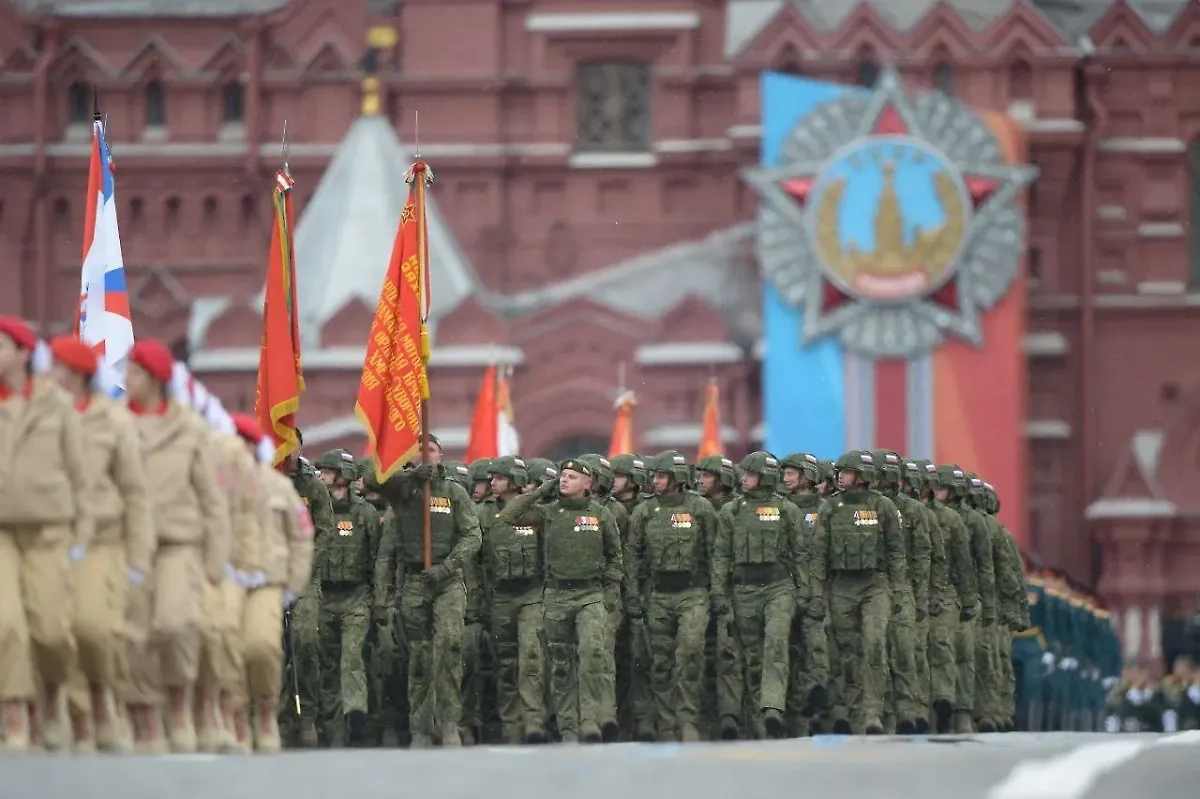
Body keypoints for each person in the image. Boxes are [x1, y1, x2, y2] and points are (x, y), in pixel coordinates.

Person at [124, 339, 230, 753]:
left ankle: (182, 708)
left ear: (155, 378)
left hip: (179, 544)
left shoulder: (190, 429)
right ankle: (149, 720)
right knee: (135, 636)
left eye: (135, 372)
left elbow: (212, 500)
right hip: (131, 546)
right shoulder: (118, 424)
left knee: (175, 625)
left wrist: (216, 561)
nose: (127, 379)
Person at [47, 336, 151, 753]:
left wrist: (138, 556)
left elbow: (134, 493)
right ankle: (79, 718)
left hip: (102, 542)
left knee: (92, 628)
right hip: (50, 538)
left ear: (76, 374)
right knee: (56, 632)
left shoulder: (114, 421)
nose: (49, 374)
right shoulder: (41, 413)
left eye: (57, 367)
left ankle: (104, 696)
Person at [0, 317, 93, 752]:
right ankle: (16, 716)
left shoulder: (56, 405)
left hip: (50, 532)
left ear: (23, 354)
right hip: (2, 533)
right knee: (7, 625)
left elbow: (81, 477)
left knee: (51, 631)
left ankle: (53, 695)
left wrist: (81, 539)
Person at [491, 458, 624, 743]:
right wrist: (542, 489)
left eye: (572, 477)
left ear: (588, 483)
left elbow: (615, 555)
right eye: (562, 475)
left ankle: (589, 719)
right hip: (556, 596)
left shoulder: (600, 514)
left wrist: (610, 593)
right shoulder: (548, 513)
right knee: (561, 663)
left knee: (592, 653)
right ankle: (568, 726)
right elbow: (509, 516)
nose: (565, 480)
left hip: (590, 595)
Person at [374, 436, 482, 748]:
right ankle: (420, 727)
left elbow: (472, 536)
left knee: (448, 646)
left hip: (447, 582)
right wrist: (409, 477)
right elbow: (372, 479)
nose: (425, 456)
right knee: (420, 656)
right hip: (414, 583)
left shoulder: (454, 492)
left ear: (440, 455)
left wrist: (447, 567)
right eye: (419, 451)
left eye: (430, 451)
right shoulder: (401, 494)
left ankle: (449, 723)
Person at [230, 414, 314, 753]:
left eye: (244, 444)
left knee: (262, 647)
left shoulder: (280, 488)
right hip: (226, 579)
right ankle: (237, 717)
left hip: (268, 579)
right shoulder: (216, 484)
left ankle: (265, 711)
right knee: (225, 649)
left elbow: (301, 537)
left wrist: (294, 583)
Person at [809, 451, 907, 735]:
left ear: (862, 476)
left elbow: (896, 553)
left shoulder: (883, 506)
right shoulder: (830, 508)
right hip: (841, 587)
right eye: (839, 472)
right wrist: (817, 595)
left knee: (875, 643)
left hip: (875, 585)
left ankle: (873, 711)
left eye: (848, 472)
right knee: (848, 652)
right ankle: (853, 712)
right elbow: (819, 555)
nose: (841, 477)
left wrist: (899, 592)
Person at [711, 451, 806, 739]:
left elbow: (801, 554)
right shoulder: (732, 511)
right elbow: (721, 555)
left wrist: (806, 593)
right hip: (744, 591)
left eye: (750, 474)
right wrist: (719, 593)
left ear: (765, 477)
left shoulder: (787, 510)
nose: (744, 479)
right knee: (752, 658)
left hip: (778, 588)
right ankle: (761, 726)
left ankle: (772, 707)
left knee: (775, 645)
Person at [625, 451, 716, 742]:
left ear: (677, 478)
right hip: (658, 595)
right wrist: (634, 596)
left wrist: (717, 593)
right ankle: (666, 723)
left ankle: (687, 719)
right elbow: (633, 556)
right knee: (660, 661)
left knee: (690, 652)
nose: (656, 481)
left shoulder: (700, 508)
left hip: (693, 593)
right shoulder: (644, 511)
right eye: (655, 476)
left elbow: (715, 554)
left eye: (662, 476)